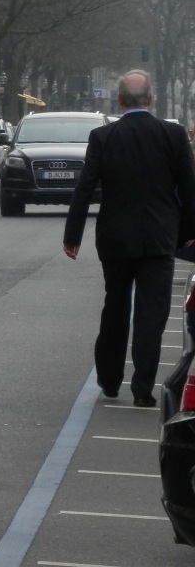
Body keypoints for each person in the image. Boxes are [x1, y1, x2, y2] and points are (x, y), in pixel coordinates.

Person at [64, 69, 195, 407]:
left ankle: (109, 380)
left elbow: (85, 188)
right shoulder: (173, 135)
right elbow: (189, 187)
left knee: (115, 306)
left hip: (115, 237)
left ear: (119, 100)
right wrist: (188, 233)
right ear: (150, 99)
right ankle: (143, 388)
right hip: (159, 238)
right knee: (152, 315)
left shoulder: (103, 137)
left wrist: (73, 234)